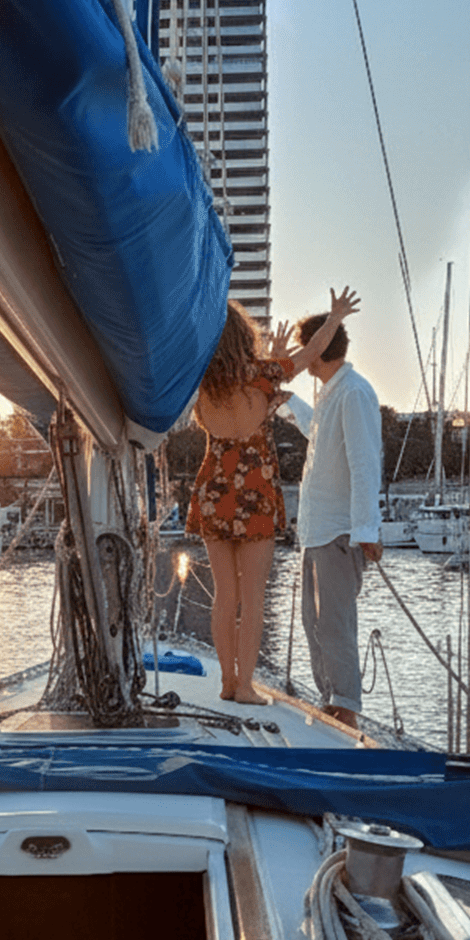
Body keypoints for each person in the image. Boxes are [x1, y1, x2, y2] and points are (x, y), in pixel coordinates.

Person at [188, 289, 359, 703]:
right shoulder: (265, 375)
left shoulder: (202, 384)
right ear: (245, 339)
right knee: (253, 596)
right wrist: (335, 317)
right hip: (254, 493)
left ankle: (227, 683)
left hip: (213, 489)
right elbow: (314, 348)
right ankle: (245, 685)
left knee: (224, 596)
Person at [294, 303, 384, 729]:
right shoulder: (331, 393)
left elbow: (365, 462)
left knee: (335, 622)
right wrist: (287, 401)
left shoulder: (353, 392)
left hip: (338, 532)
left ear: (320, 348)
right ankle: (332, 698)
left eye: (307, 345)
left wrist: (367, 528)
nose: (302, 352)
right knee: (314, 623)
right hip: (317, 530)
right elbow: (318, 431)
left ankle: (346, 707)